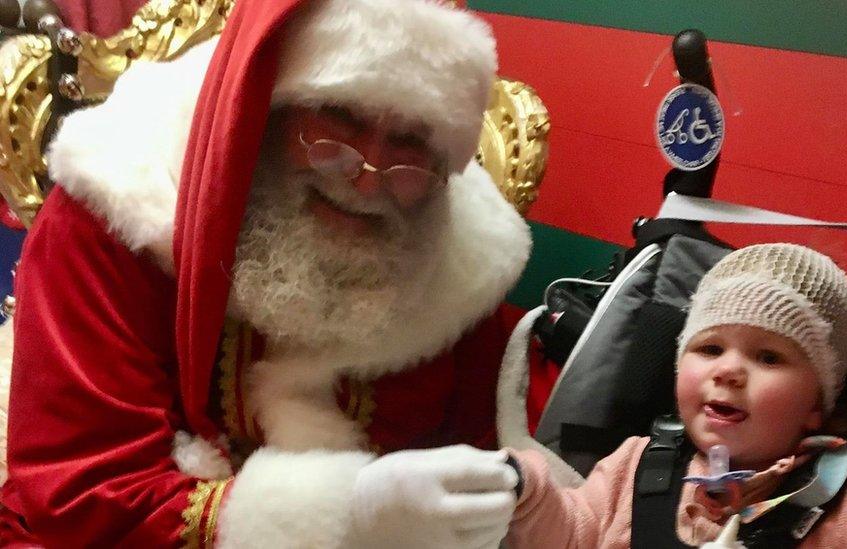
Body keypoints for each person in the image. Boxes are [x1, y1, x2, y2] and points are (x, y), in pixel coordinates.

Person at [0, 0, 531, 547]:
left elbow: (492, 449)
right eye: (339, 118)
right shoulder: (115, 208)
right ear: (264, 109)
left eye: (411, 144)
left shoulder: (466, 267)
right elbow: (84, 494)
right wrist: (348, 514)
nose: (367, 180)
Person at [504, 244, 847, 548]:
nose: (728, 369)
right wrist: (522, 489)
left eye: (769, 358)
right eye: (709, 348)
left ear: (817, 405)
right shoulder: (636, 467)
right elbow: (570, 530)